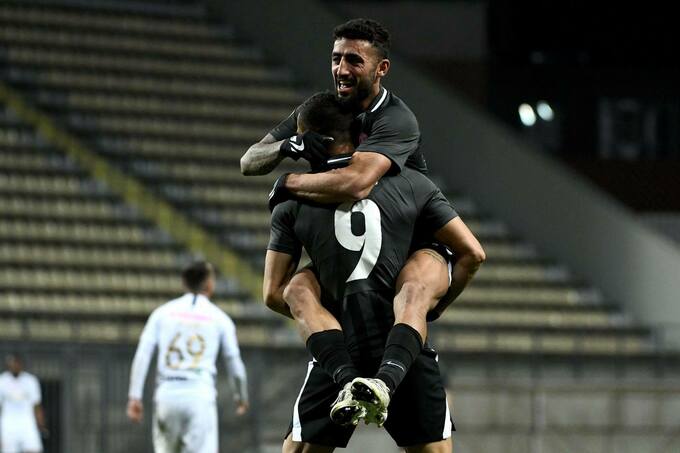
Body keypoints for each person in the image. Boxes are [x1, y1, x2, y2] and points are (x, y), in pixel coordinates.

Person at [243, 18, 484, 425]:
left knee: (413, 286)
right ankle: (352, 378)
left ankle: (377, 374)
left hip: (407, 237)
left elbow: (357, 183)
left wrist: (289, 182)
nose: (341, 69)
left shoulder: (395, 118)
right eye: (336, 58)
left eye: (354, 60)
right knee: (295, 289)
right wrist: (286, 145)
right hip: (352, 247)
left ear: (381, 68)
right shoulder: (325, 110)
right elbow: (249, 160)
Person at [264, 92, 481, 453]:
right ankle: (384, 381)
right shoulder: (412, 183)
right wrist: (435, 306)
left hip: (337, 346)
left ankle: (348, 382)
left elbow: (273, 293)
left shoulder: (291, 203)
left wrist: (319, 297)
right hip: (402, 341)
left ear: (310, 142)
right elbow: (472, 254)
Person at [126, 261, 249, 453]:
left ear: (184, 283)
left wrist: (135, 396)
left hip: (167, 394)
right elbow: (233, 360)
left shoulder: (162, 313)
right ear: (209, 284)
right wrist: (240, 396)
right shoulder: (219, 318)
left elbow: (143, 353)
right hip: (199, 395)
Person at [0, 354, 46, 453]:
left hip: (27, 422)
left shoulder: (30, 380)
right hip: (8, 424)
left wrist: (41, 424)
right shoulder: (2, 381)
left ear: (21, 364)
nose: (14, 366)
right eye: (11, 364)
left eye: (16, 363)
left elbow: (36, 404)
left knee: (33, 449)